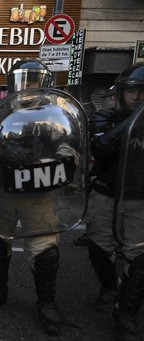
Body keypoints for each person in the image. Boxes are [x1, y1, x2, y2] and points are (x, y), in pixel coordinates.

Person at [0, 59, 77, 336]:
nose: (28, 88)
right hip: (3, 189)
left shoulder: (58, 117)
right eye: (24, 82)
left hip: (39, 191)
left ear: (44, 85)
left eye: (34, 82)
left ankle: (47, 303)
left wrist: (60, 155)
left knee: (45, 248)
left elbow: (71, 148)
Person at [87, 62, 144, 341]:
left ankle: (126, 312)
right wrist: (135, 121)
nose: (137, 97)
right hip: (106, 191)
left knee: (140, 257)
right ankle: (109, 286)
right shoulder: (105, 119)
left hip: (139, 196)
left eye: (143, 93)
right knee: (98, 246)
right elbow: (101, 147)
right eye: (133, 91)